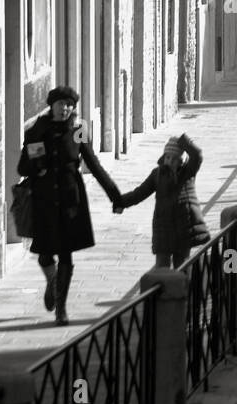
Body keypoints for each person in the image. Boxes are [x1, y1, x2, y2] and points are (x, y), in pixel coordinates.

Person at [18, 86, 120, 325]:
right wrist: (37, 167)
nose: (64, 109)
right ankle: (52, 283)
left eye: (69, 105)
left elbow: (93, 164)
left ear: (73, 108)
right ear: (51, 106)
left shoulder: (78, 131)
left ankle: (61, 309)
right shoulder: (36, 131)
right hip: (43, 201)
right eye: (60, 104)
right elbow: (22, 168)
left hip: (70, 200)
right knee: (44, 255)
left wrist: (115, 195)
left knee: (66, 255)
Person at [112, 134, 210, 269]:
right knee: (161, 267)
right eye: (168, 157)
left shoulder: (187, 172)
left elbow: (197, 154)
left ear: (181, 161)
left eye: (175, 159)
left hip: (184, 228)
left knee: (182, 267)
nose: (170, 161)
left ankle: (183, 290)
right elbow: (140, 193)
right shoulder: (157, 174)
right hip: (163, 228)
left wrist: (183, 140)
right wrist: (121, 202)